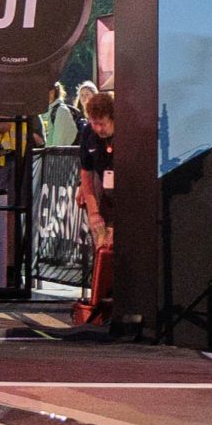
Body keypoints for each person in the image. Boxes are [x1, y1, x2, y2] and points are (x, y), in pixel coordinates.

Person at [74, 89, 116, 327]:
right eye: (94, 123)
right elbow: (86, 175)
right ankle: (99, 306)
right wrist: (93, 212)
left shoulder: (126, 133)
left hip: (127, 192)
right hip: (102, 189)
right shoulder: (89, 134)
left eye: (102, 124)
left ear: (113, 119)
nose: (98, 129)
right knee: (102, 246)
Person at [40, 82, 79, 147]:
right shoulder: (40, 111)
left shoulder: (61, 111)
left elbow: (58, 144)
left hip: (61, 156)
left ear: (54, 92)